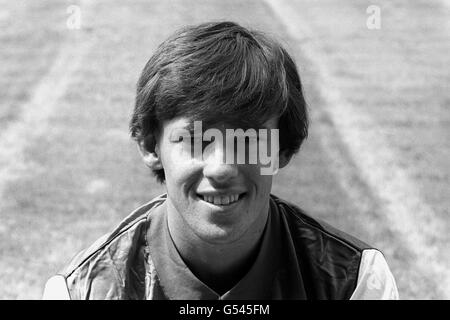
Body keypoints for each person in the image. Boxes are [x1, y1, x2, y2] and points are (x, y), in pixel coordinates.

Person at [42, 21, 399, 300]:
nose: (223, 167)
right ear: (152, 146)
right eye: (196, 139)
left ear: (282, 150)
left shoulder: (353, 282)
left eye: (249, 139)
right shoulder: (85, 290)